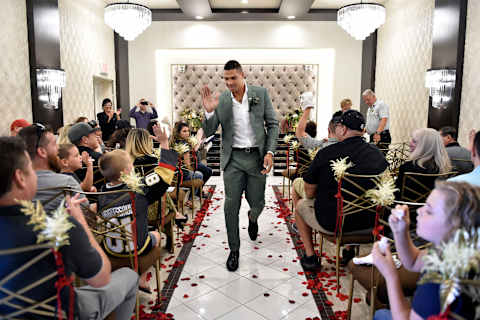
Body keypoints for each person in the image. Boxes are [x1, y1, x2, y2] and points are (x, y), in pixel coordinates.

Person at [0, 137, 138, 320]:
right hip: (63, 312)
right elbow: (101, 278)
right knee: (129, 276)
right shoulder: (58, 227)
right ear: (20, 178)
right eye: (31, 169)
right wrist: (80, 221)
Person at [201, 60, 279, 271]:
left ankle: (253, 219)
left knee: (258, 203)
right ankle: (234, 250)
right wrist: (209, 113)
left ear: (242, 75)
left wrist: (270, 152)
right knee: (230, 205)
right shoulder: (222, 99)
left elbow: (273, 124)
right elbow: (209, 131)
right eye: (225, 79)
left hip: (256, 157)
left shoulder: (260, 94)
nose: (229, 83)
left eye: (233, 78)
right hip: (233, 159)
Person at [295, 110, 388, 270]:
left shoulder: (326, 153)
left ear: (343, 129)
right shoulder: (377, 154)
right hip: (370, 221)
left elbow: (309, 191)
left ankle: (310, 257)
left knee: (301, 206)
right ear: (363, 130)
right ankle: (348, 251)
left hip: (335, 223)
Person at [372, 181, 480, 320]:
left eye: (429, 210)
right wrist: (400, 231)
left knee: (380, 315)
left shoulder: (440, 280)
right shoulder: (462, 248)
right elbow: (414, 260)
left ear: (455, 226)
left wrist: (390, 275)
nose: (419, 211)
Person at [98, 149, 159, 294]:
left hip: (111, 248)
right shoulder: (137, 190)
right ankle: (142, 278)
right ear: (126, 171)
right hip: (135, 247)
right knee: (157, 235)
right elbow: (159, 179)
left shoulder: (101, 193)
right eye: (131, 164)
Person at [125, 127, 186, 227]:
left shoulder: (122, 162)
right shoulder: (153, 161)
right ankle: (175, 216)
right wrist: (164, 143)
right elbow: (165, 179)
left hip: (127, 211)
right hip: (151, 210)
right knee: (164, 191)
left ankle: (177, 215)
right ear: (147, 143)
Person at [18, 124, 86, 212]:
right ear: (42, 152)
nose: (58, 148)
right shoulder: (67, 183)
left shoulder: (14, 187)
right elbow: (87, 215)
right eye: (54, 144)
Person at [396, 128, 452, 205]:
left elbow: (397, 194)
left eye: (414, 141)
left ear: (425, 146)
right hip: (437, 209)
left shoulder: (408, 167)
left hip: (409, 210)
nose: (410, 143)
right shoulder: (445, 167)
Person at [170, 121, 211, 186]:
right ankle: (195, 194)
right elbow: (188, 165)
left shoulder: (178, 141)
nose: (187, 133)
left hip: (177, 169)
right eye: (184, 131)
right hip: (180, 171)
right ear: (178, 133)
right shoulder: (183, 145)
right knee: (203, 173)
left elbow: (193, 151)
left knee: (205, 170)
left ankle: (197, 191)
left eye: (188, 131)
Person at [68, 122, 104, 186]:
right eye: (93, 134)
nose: (97, 136)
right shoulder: (98, 158)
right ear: (85, 139)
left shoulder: (69, 159)